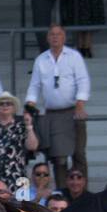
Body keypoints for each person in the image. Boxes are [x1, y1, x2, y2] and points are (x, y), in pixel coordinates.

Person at [25, 25, 90, 189]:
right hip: (52, 114)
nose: (55, 37)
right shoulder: (41, 59)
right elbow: (35, 85)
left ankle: (83, 192)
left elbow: (83, 81)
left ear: (64, 37)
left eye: (58, 34)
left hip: (73, 111)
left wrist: (80, 103)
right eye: (52, 34)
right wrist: (29, 104)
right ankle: (62, 192)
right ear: (47, 37)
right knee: (58, 158)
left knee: (79, 154)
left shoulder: (74, 56)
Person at [0, 92, 39, 194]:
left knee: (20, 205)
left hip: (17, 172)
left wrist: (29, 126)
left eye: (8, 103)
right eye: (1, 103)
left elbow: (32, 146)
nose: (5, 106)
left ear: (14, 108)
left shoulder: (21, 124)